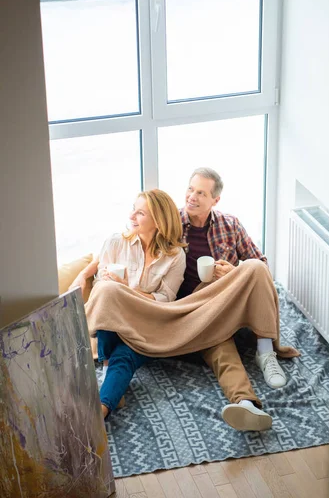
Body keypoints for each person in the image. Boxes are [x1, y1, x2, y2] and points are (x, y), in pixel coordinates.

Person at [75, 169, 300, 431]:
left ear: (215, 200)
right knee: (219, 349)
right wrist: (84, 273)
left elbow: (262, 267)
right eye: (190, 189)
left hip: (215, 302)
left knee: (253, 271)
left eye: (201, 193)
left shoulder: (229, 226)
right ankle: (246, 401)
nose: (192, 197)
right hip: (179, 310)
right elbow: (112, 250)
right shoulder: (171, 223)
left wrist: (233, 271)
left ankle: (258, 373)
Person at [87, 189, 186, 419]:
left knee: (125, 356)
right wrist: (118, 290)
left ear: (159, 222)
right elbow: (102, 291)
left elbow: (164, 300)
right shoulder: (115, 242)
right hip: (112, 324)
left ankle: (99, 406)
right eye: (133, 209)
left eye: (140, 213)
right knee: (108, 293)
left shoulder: (175, 256)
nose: (131, 216)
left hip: (148, 326)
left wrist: (126, 291)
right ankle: (103, 399)